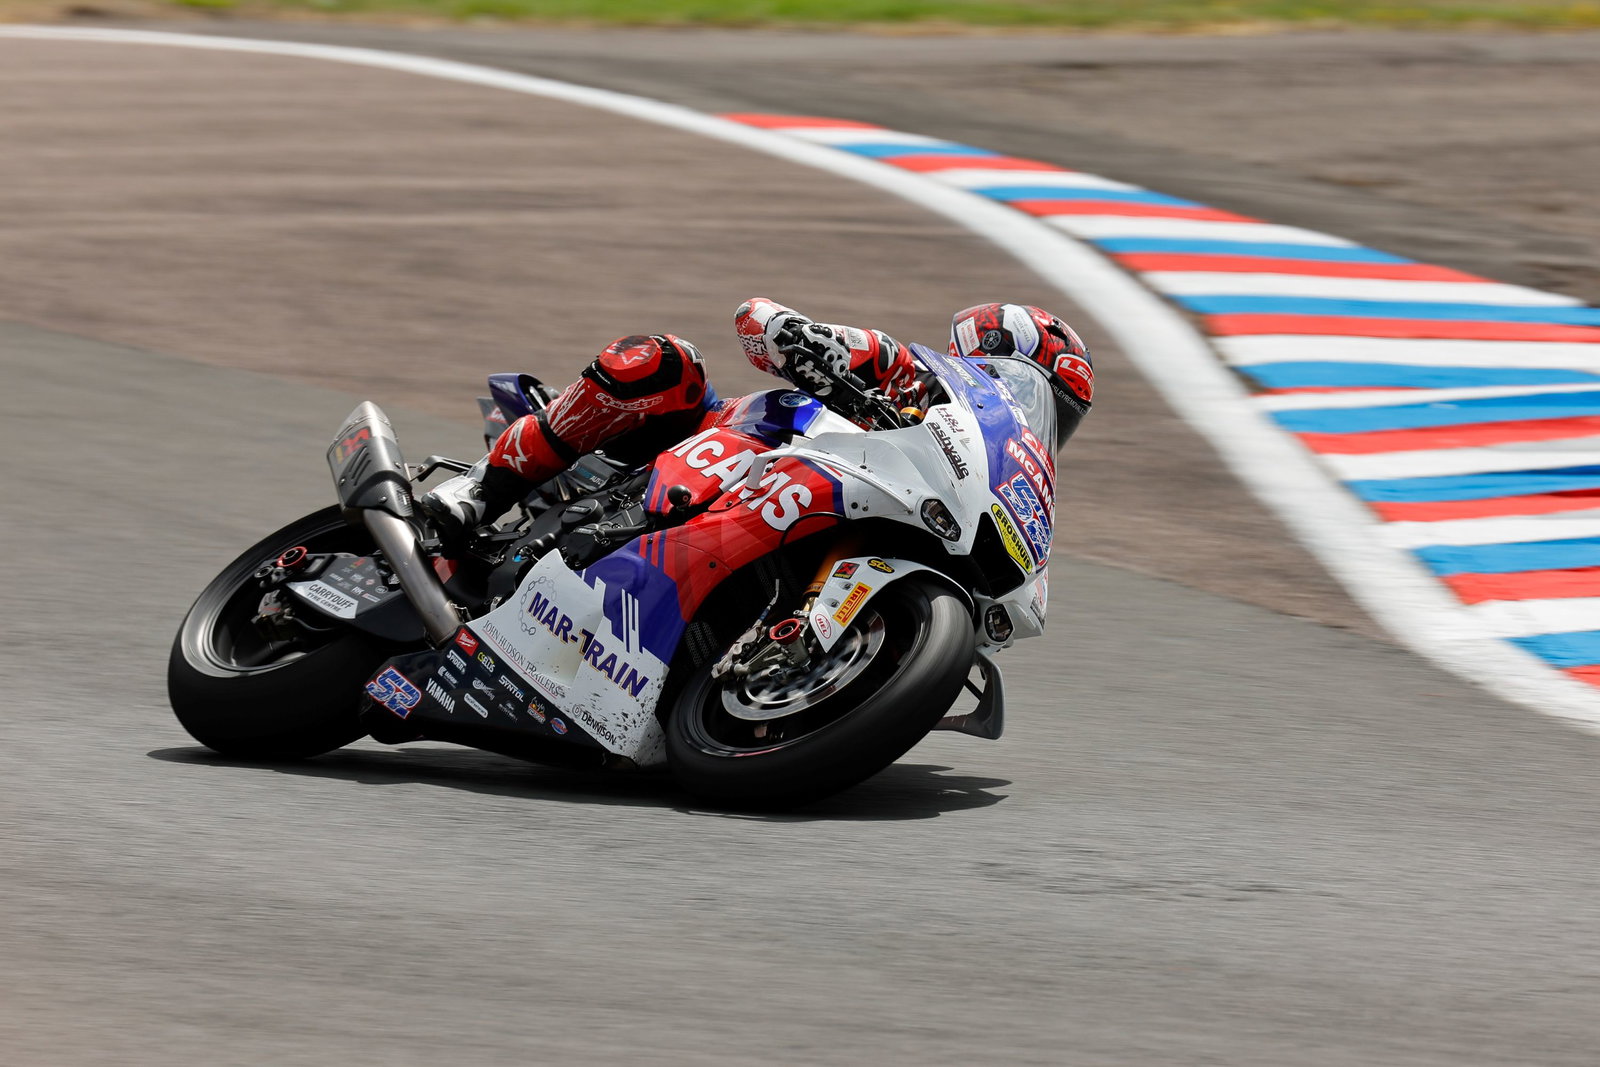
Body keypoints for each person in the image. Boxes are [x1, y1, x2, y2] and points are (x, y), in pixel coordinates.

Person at [420, 298, 1093, 541]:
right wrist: (795, 335)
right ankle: (480, 490)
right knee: (661, 362)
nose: (1027, 415)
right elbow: (762, 322)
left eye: (1049, 415)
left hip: (792, 514)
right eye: (1020, 386)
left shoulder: (999, 472)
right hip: (715, 446)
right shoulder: (916, 381)